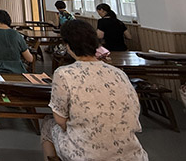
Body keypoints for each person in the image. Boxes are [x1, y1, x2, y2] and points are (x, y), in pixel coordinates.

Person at [41, 20, 148, 161]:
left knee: (48, 124)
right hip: (132, 153)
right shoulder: (119, 73)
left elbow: (60, 120)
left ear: (68, 45)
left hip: (87, 154)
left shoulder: (64, 74)